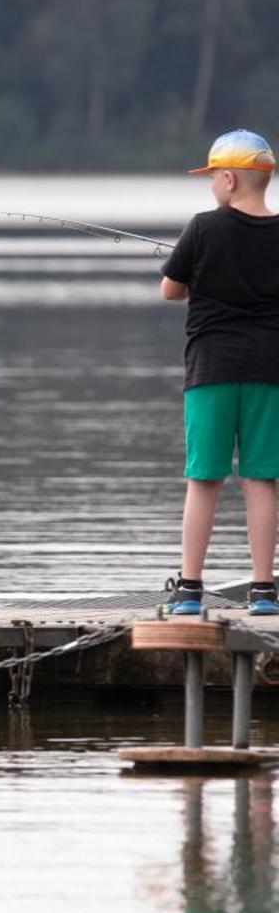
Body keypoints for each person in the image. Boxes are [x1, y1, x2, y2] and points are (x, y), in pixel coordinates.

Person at [161, 129, 279, 617]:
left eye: (212, 178)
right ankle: (264, 592)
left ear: (228, 179)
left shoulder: (203, 228)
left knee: (204, 478)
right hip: (270, 371)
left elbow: (171, 290)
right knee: (262, 479)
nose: (211, 186)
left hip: (211, 369)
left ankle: (189, 589)